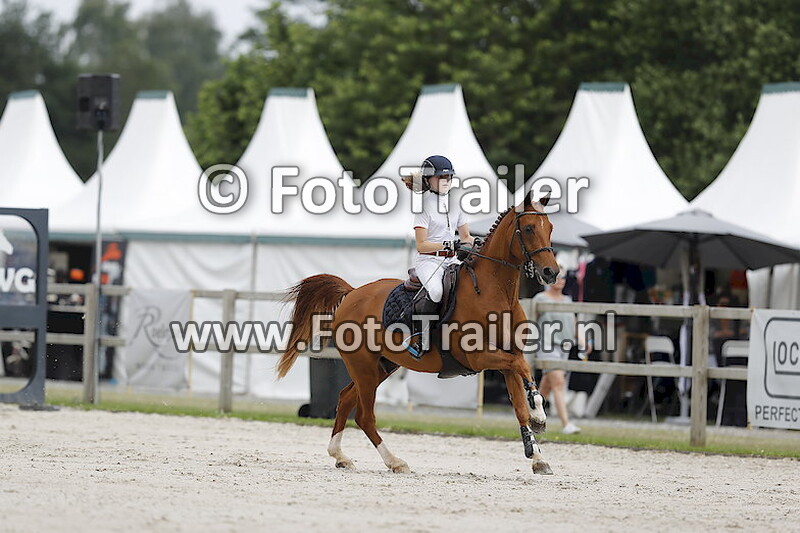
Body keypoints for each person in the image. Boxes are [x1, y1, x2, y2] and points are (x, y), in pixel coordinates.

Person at [401, 155, 476, 358]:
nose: (446, 182)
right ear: (428, 180)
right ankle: (421, 339)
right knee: (435, 291)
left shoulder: (456, 204)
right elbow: (421, 244)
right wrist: (448, 244)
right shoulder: (423, 207)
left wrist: (475, 244)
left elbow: (466, 236)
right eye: (440, 178)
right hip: (429, 260)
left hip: (452, 260)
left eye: (448, 178)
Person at [532, 267, 592, 434]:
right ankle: (566, 424)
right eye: (557, 277)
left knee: (547, 386)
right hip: (547, 345)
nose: (561, 280)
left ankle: (533, 415)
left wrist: (583, 342)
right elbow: (531, 322)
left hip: (564, 347)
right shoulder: (540, 299)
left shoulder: (567, 301)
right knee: (559, 383)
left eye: (564, 277)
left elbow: (573, 324)